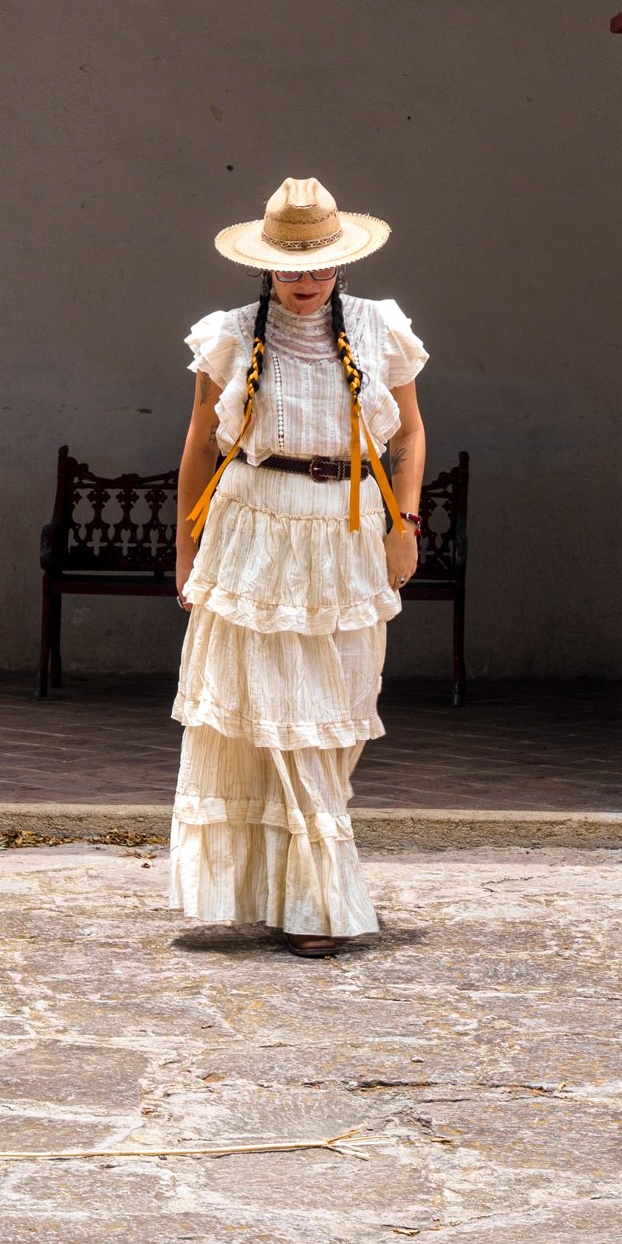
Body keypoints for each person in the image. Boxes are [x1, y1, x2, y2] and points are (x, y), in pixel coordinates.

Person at [169, 176, 427, 957]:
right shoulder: (230, 335)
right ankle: (317, 905)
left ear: (340, 263)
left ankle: (297, 886)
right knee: (270, 712)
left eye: (318, 265)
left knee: (334, 711)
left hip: (348, 529)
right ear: (267, 267)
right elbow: (199, 446)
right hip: (252, 528)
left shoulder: (380, 328)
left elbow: (410, 433)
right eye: (290, 267)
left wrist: (406, 523)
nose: (305, 281)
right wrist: (185, 548)